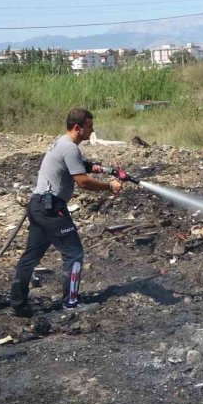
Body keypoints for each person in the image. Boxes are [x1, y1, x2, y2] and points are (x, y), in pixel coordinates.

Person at [9, 108, 122, 317]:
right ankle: (71, 303)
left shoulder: (62, 143)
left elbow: (78, 166)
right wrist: (109, 186)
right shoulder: (70, 148)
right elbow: (83, 182)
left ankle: (18, 304)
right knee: (74, 253)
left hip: (38, 205)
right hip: (52, 209)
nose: (92, 130)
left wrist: (103, 169)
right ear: (78, 128)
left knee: (31, 257)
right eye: (89, 126)